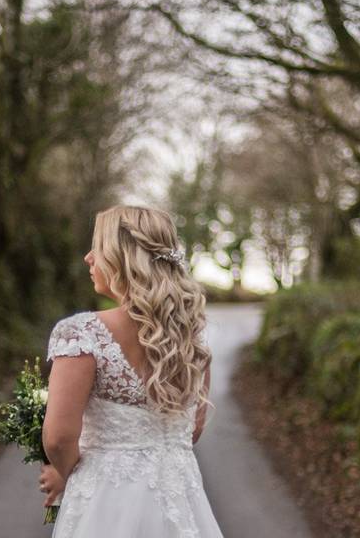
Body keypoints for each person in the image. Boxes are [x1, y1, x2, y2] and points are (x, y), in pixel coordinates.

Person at [39, 204, 224, 537]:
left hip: (106, 504)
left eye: (97, 247)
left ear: (121, 256)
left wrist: (69, 475)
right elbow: (190, 431)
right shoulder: (190, 337)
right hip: (180, 498)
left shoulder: (81, 334)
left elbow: (58, 438)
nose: (88, 257)